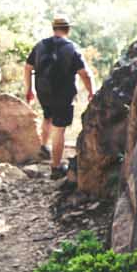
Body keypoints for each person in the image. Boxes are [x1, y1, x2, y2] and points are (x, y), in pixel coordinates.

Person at [24, 16, 94, 177]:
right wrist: (91, 92)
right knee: (59, 129)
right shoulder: (71, 48)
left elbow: (28, 67)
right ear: (68, 30)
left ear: (53, 28)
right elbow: (85, 74)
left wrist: (29, 90)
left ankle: (43, 147)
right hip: (63, 94)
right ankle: (56, 168)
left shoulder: (40, 45)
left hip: (43, 91)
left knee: (47, 117)